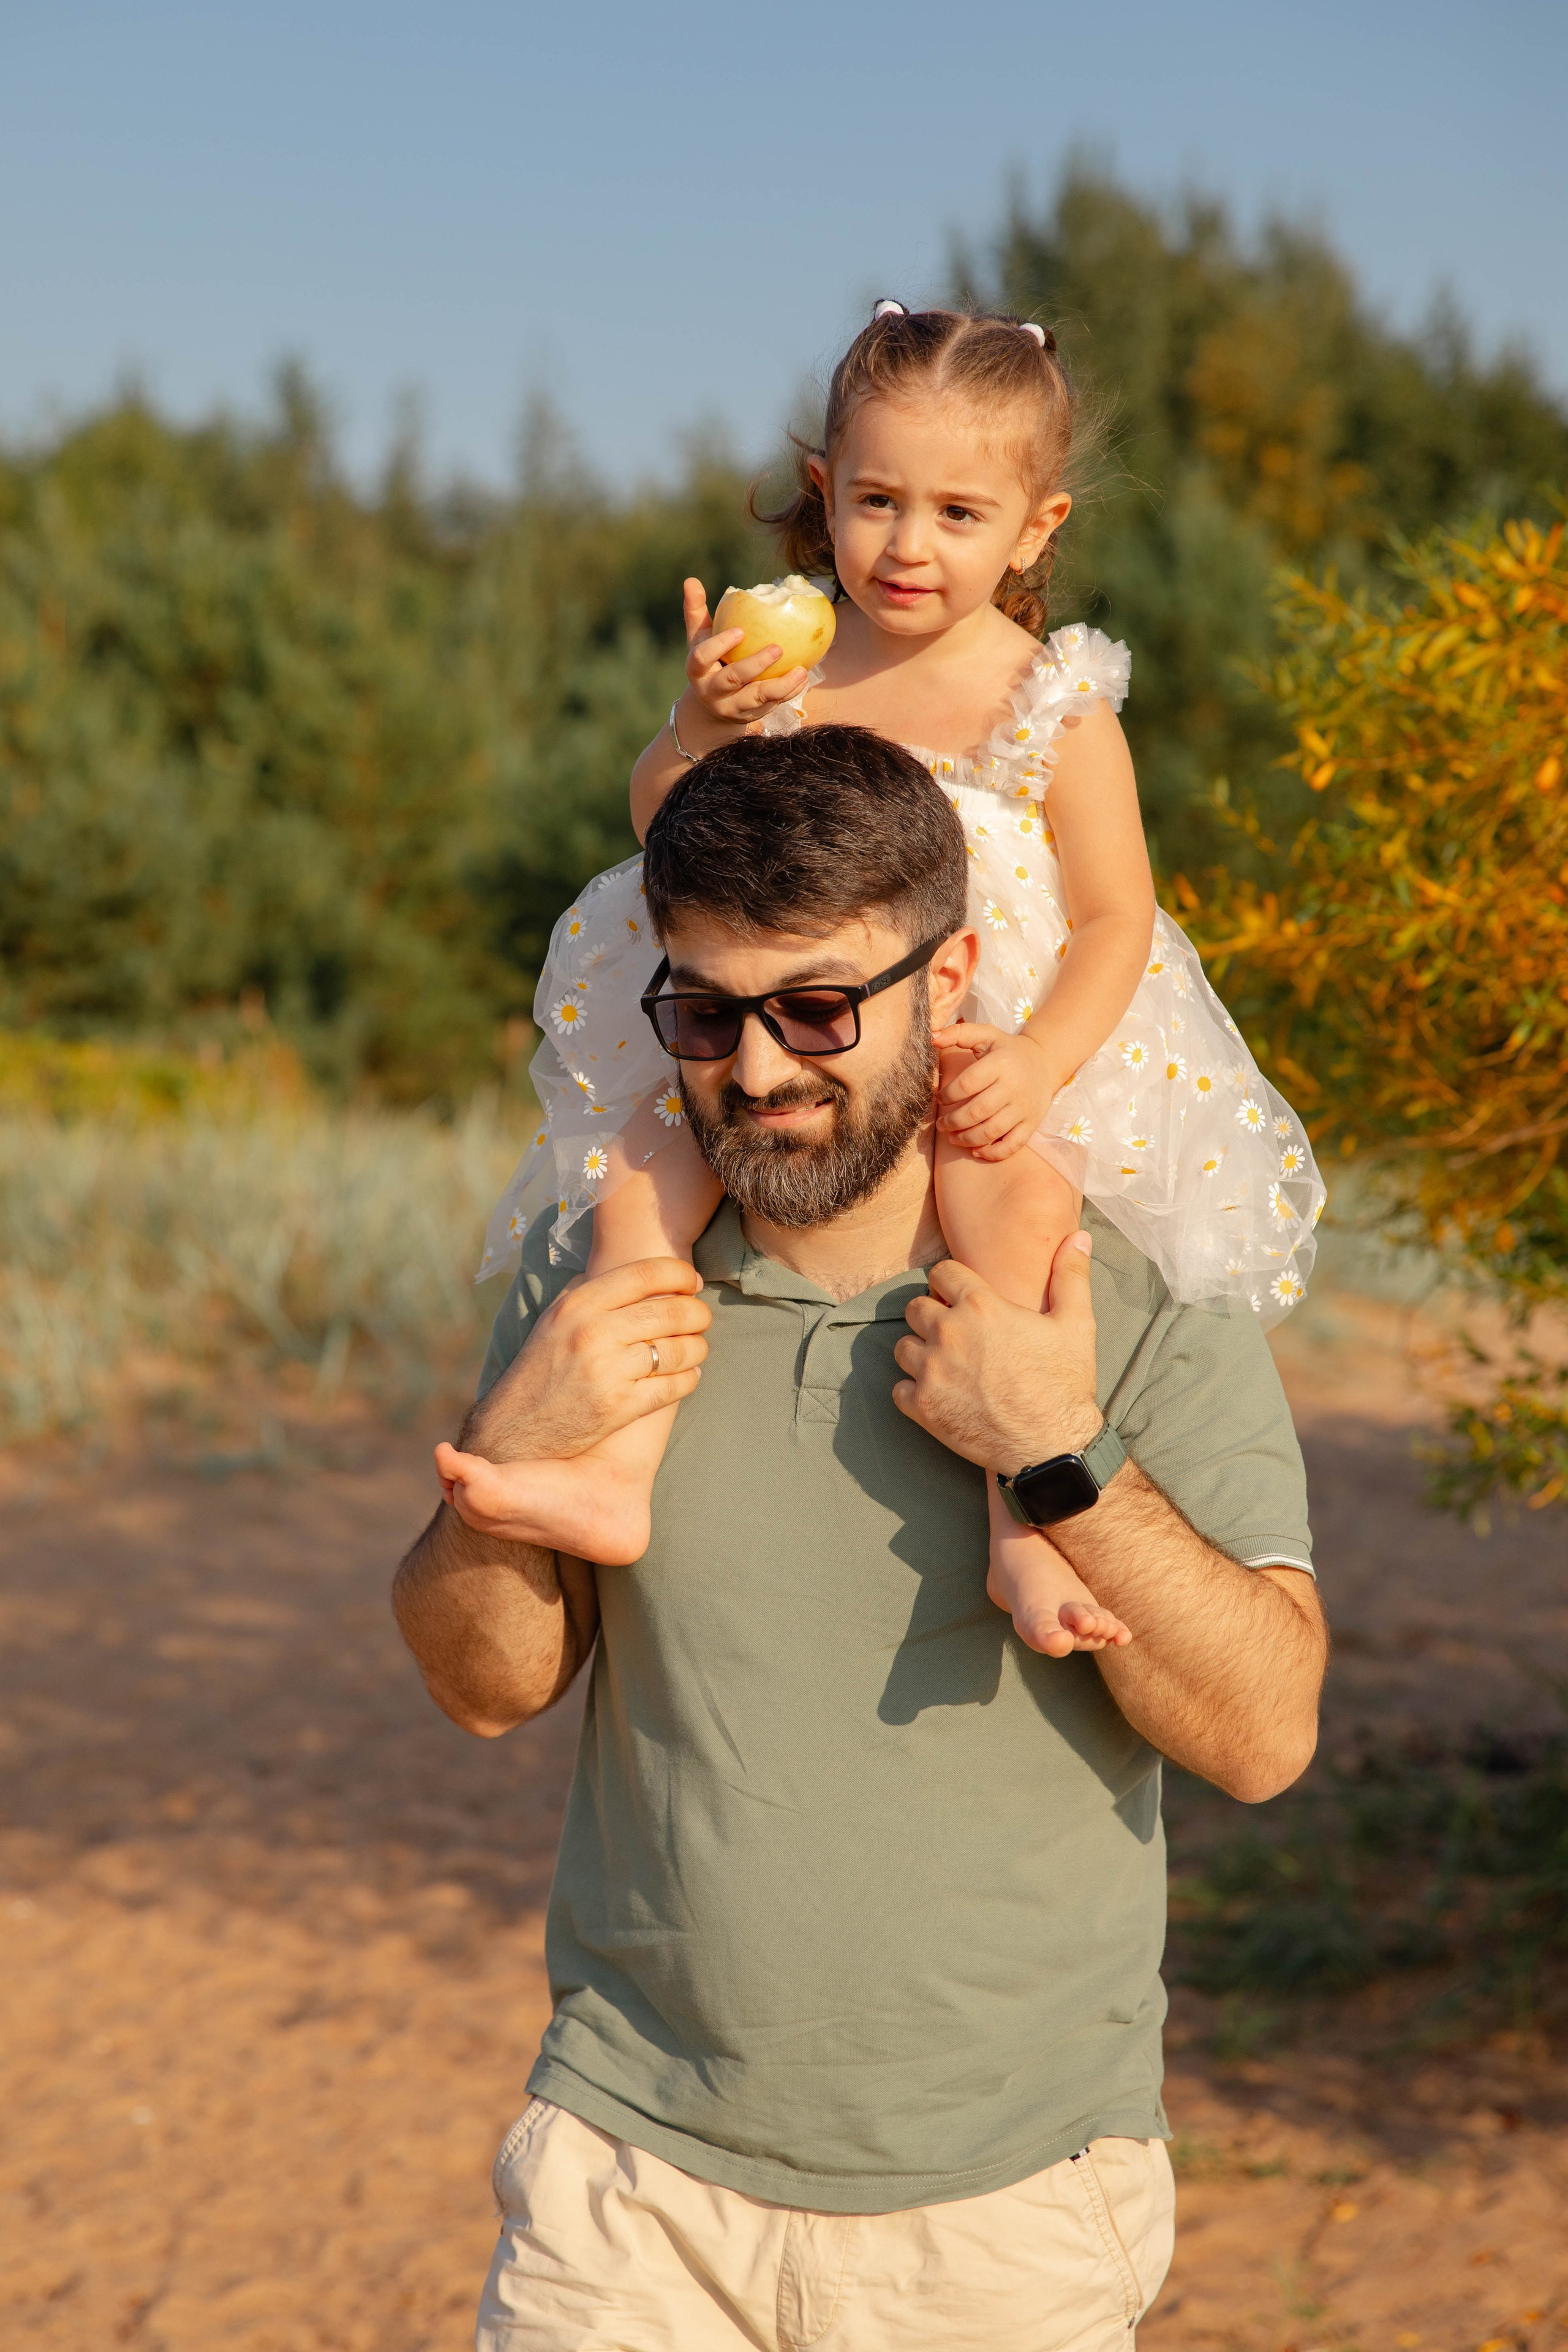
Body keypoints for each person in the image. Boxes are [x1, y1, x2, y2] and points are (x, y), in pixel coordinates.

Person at [394, 726, 1327, 2351]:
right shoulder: (604, 1276)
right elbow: (485, 1687)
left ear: (948, 978)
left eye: (818, 1009)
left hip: (1007, 2212)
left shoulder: (1118, 1292)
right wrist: (517, 1441)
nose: (756, 1072)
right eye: (703, 1015)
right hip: (629, 2188)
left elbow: (1263, 1735)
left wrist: (1056, 1452)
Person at [460, 298, 1326, 1660]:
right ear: (824, 491)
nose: (909, 546)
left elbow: (1119, 918)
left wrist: (1038, 1058)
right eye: (876, 501)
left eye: (959, 514)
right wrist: (699, 724)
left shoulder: (1050, 702)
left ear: (1035, 527)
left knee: (1015, 1211)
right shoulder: (790, 663)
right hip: (774, 1019)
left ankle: (1023, 1524)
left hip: (981, 1040)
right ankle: (615, 1463)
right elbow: (666, 829)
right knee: (640, 1180)